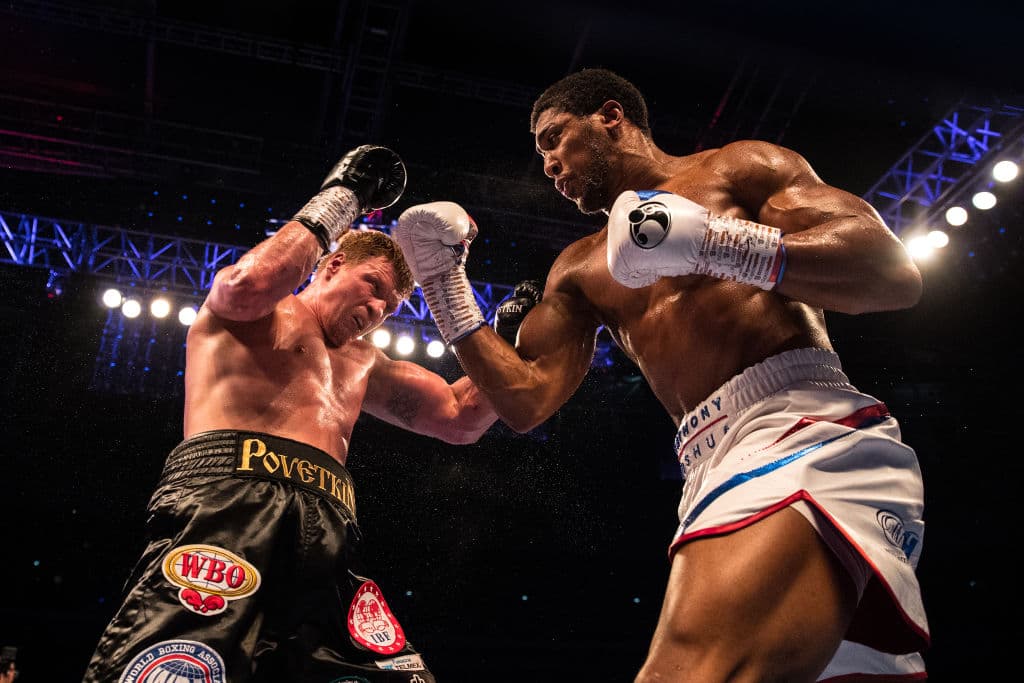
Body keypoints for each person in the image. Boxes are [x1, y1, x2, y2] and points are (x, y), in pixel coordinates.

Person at [392, 68, 930, 681]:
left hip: (798, 425)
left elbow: (892, 274)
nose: (547, 165)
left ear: (609, 117)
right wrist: (444, 287)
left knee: (684, 671)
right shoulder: (577, 268)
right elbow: (526, 401)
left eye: (553, 139)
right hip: (705, 463)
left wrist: (717, 243)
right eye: (539, 154)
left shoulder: (736, 167)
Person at [83, 145, 498, 683]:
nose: (377, 310)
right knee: (180, 667)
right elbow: (246, 284)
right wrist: (343, 199)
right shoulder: (256, 312)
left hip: (328, 528)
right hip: (229, 501)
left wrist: (512, 336)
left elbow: (461, 417)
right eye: (373, 286)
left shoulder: (367, 363)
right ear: (333, 263)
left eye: (391, 306)